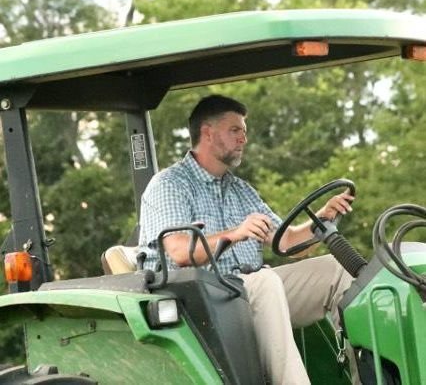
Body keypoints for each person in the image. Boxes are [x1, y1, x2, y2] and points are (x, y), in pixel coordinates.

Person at [139, 94, 358, 385]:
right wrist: (234, 234)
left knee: (338, 269)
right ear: (207, 132)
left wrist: (323, 217)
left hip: (250, 292)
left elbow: (288, 243)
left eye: (244, 131)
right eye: (235, 130)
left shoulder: (241, 190)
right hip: (197, 297)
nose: (244, 138)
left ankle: (370, 377)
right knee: (265, 281)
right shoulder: (170, 184)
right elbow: (180, 252)